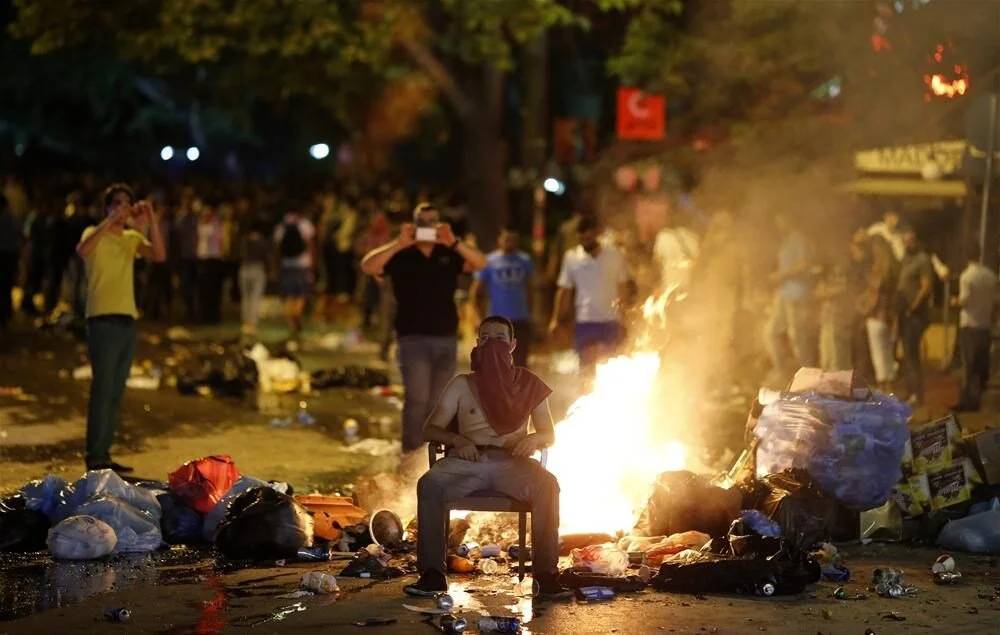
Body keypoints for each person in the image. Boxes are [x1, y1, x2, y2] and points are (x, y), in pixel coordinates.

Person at [404, 316, 570, 599]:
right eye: (486, 337)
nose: (493, 343)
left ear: (513, 345)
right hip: (467, 462)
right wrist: (457, 439)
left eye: (500, 338)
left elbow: (548, 435)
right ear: (478, 344)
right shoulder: (462, 384)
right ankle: (432, 575)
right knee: (429, 484)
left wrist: (533, 438)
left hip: (514, 463)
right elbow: (430, 428)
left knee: (548, 486)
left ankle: (546, 577)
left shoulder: (529, 383)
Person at [361, 202, 486, 459]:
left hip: (446, 337)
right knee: (417, 399)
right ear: (413, 224)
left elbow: (480, 262)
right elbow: (369, 266)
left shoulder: (448, 253)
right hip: (412, 337)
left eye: (432, 222)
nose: (427, 227)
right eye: (422, 222)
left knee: (440, 402)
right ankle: (410, 455)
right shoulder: (402, 255)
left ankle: (432, 456)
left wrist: (453, 242)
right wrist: (399, 243)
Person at [76, 183, 165, 472]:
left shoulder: (130, 238)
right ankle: (95, 455)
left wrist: (150, 218)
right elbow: (82, 250)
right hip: (102, 319)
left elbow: (159, 256)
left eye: (127, 202)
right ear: (107, 207)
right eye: (117, 202)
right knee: (102, 389)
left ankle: (104, 453)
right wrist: (110, 221)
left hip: (127, 319)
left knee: (115, 390)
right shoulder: (94, 233)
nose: (123, 207)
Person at [549, 216, 629, 374]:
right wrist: (556, 319)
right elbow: (564, 290)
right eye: (581, 237)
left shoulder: (614, 255)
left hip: (610, 321)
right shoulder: (571, 257)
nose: (585, 240)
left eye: (588, 236)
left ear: (597, 234)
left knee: (611, 369)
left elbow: (623, 287)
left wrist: (624, 316)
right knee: (586, 370)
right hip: (585, 322)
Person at [763, 213, 816, 382]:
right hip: (784, 293)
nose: (778, 224)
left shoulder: (798, 239)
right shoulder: (785, 241)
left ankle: (807, 376)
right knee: (770, 332)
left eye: (781, 219)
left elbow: (803, 265)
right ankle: (782, 372)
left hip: (797, 293)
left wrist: (781, 275)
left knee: (797, 336)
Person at [470, 229, 535, 367]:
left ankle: (517, 388)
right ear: (499, 240)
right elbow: (476, 292)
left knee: (520, 362)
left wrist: (530, 312)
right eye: (506, 239)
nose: (509, 243)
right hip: (497, 320)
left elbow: (530, 288)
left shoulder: (525, 260)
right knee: (496, 362)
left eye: (513, 239)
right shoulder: (488, 261)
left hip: (520, 319)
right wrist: (478, 317)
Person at [954, 244, 997, 411]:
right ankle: (979, 399)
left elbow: (964, 300)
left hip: (970, 325)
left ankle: (967, 401)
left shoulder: (966, 276)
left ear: (966, 256)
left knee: (969, 365)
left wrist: (954, 301)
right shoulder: (990, 275)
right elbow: (995, 301)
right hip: (985, 325)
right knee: (981, 364)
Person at [896, 227, 934, 405]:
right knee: (907, 354)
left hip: (915, 315)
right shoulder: (905, 260)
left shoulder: (922, 260)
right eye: (905, 240)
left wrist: (913, 307)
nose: (908, 243)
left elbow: (926, 286)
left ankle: (917, 395)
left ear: (916, 241)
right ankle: (911, 391)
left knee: (912, 354)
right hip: (904, 314)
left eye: (911, 240)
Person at [274, 203, 316, 340]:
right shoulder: (305, 225)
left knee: (289, 296)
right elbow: (311, 245)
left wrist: (277, 267)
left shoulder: (281, 226)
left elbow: (278, 249)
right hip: (302, 265)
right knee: (301, 295)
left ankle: (292, 323)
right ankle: (296, 318)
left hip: (287, 265)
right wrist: (313, 265)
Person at [652, 215, 699, 298]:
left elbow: (657, 259)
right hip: (684, 285)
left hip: (667, 284)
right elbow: (695, 261)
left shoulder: (662, 235)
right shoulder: (692, 237)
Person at [238, 219, 271, 337]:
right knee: (255, 298)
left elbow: (240, 254)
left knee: (246, 298)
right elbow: (266, 257)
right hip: (257, 268)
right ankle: (252, 324)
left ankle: (246, 323)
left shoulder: (244, 241)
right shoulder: (262, 242)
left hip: (244, 268)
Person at [196, 203, 225, 324]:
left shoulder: (216, 225)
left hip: (213, 259)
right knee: (203, 290)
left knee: (214, 290)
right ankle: (204, 316)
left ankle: (214, 316)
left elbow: (221, 242)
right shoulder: (199, 225)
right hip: (202, 259)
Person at [0, 193, 19, 336]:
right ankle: (5, 317)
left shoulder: (6, 219)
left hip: (4, 257)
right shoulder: (12, 219)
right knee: (6, 287)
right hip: (10, 258)